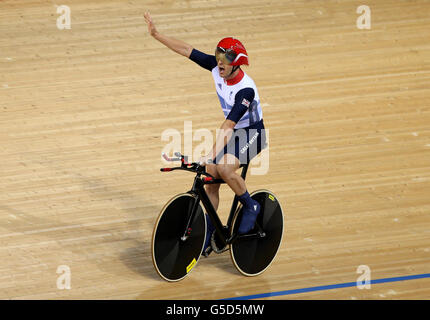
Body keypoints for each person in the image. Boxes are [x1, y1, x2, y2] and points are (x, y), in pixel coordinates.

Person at [144, 12, 267, 255]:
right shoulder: (215, 66)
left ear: (237, 63)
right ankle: (212, 231)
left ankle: (250, 206)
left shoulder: (245, 91)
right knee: (210, 178)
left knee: (221, 167)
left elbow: (228, 126)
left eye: (226, 59)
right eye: (218, 56)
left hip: (253, 133)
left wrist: (211, 155)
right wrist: (157, 35)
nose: (219, 62)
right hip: (235, 133)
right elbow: (186, 49)